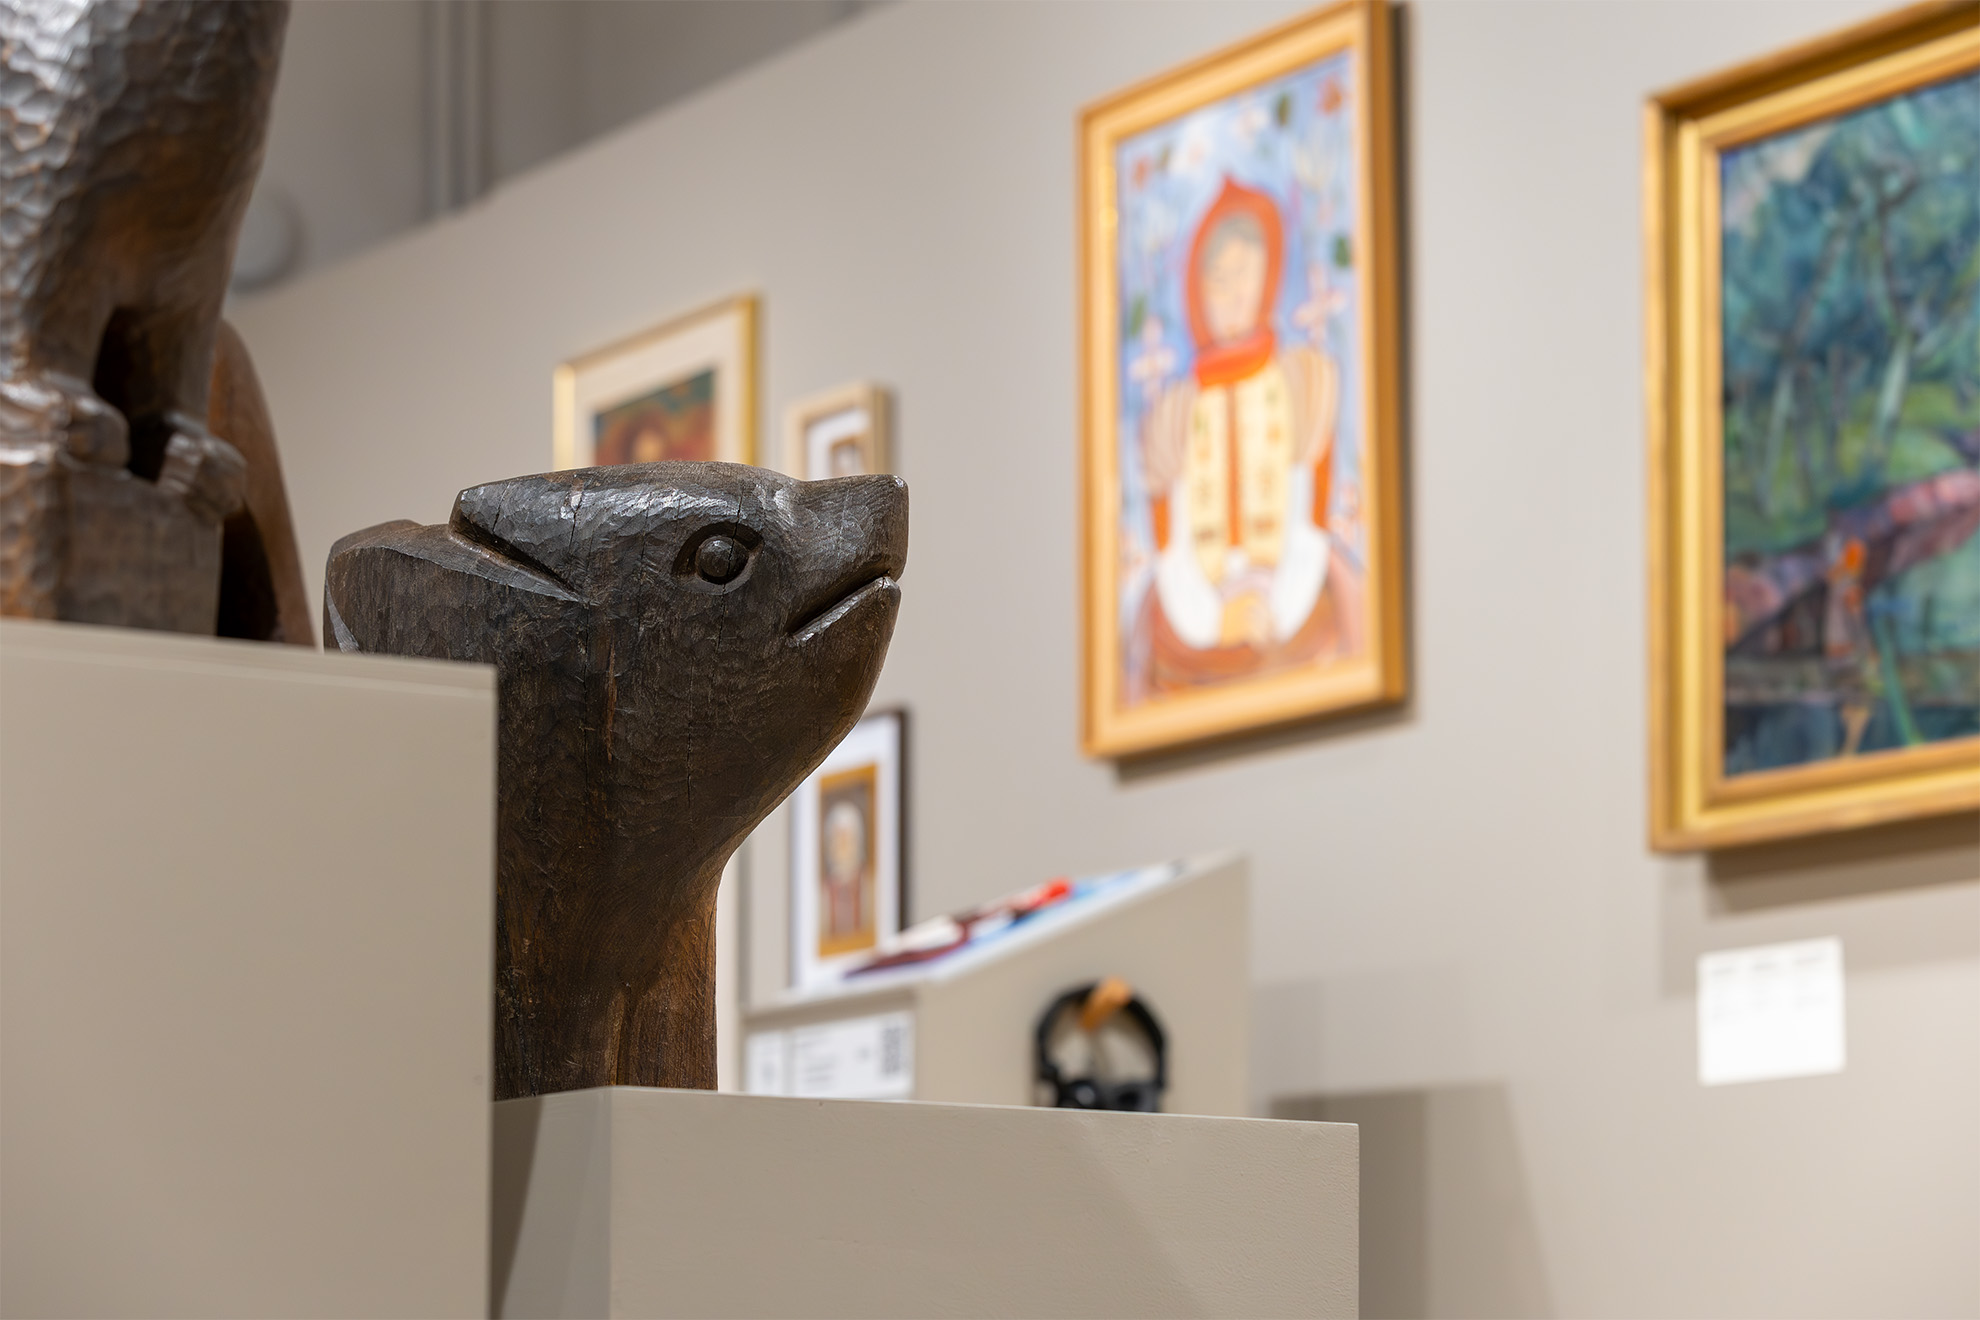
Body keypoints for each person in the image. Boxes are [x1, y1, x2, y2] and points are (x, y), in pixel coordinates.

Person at [1134, 176, 1363, 696]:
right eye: (1219, 280)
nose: (1233, 296)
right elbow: (1172, 547)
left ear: (1269, 277)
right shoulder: (1174, 412)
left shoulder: (1302, 382)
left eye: (1245, 276)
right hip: (1195, 619)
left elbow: (1309, 518)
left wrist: (1273, 607)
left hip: (1291, 603)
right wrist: (1216, 620)